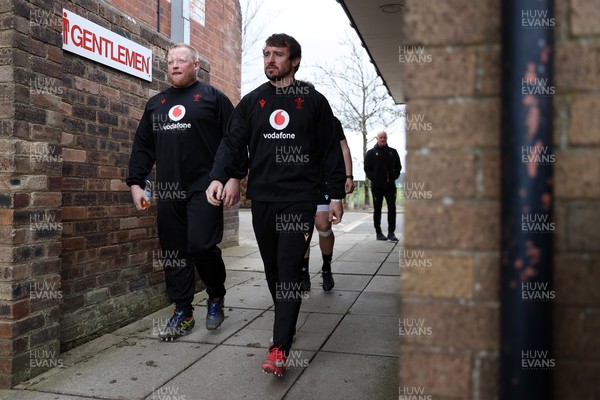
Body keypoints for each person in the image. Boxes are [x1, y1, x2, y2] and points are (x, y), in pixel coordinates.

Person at [206, 33, 345, 377]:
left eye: (278, 55)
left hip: (299, 200)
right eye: (266, 54)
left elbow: (330, 150)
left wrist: (336, 195)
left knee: (286, 270)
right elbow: (232, 143)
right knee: (273, 271)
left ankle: (279, 346)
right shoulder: (253, 102)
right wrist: (219, 176)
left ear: (294, 61)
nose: (270, 60)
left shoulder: (313, 101)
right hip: (263, 199)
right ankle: (286, 318)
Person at [126, 43, 245, 341]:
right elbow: (142, 146)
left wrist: (234, 177)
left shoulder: (213, 98)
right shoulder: (156, 104)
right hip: (168, 190)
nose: (175, 65)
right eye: (171, 61)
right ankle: (183, 311)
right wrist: (136, 183)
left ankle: (216, 295)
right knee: (174, 252)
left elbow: (235, 140)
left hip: (206, 187)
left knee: (202, 245)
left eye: (182, 60)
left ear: (196, 66)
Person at [300, 116, 354, 292]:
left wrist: (348, 176)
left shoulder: (330, 120)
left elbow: (344, 149)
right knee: (303, 229)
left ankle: (326, 267)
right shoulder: (291, 116)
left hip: (324, 181)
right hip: (299, 182)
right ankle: (303, 271)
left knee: (322, 224)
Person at [364, 131, 401, 241]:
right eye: (381, 137)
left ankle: (391, 232)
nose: (383, 139)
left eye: (384, 137)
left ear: (387, 138)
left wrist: (394, 177)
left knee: (392, 208)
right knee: (377, 209)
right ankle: (378, 232)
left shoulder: (393, 152)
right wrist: (374, 179)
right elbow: (367, 168)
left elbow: (398, 167)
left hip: (390, 186)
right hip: (377, 187)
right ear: (377, 138)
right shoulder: (371, 153)